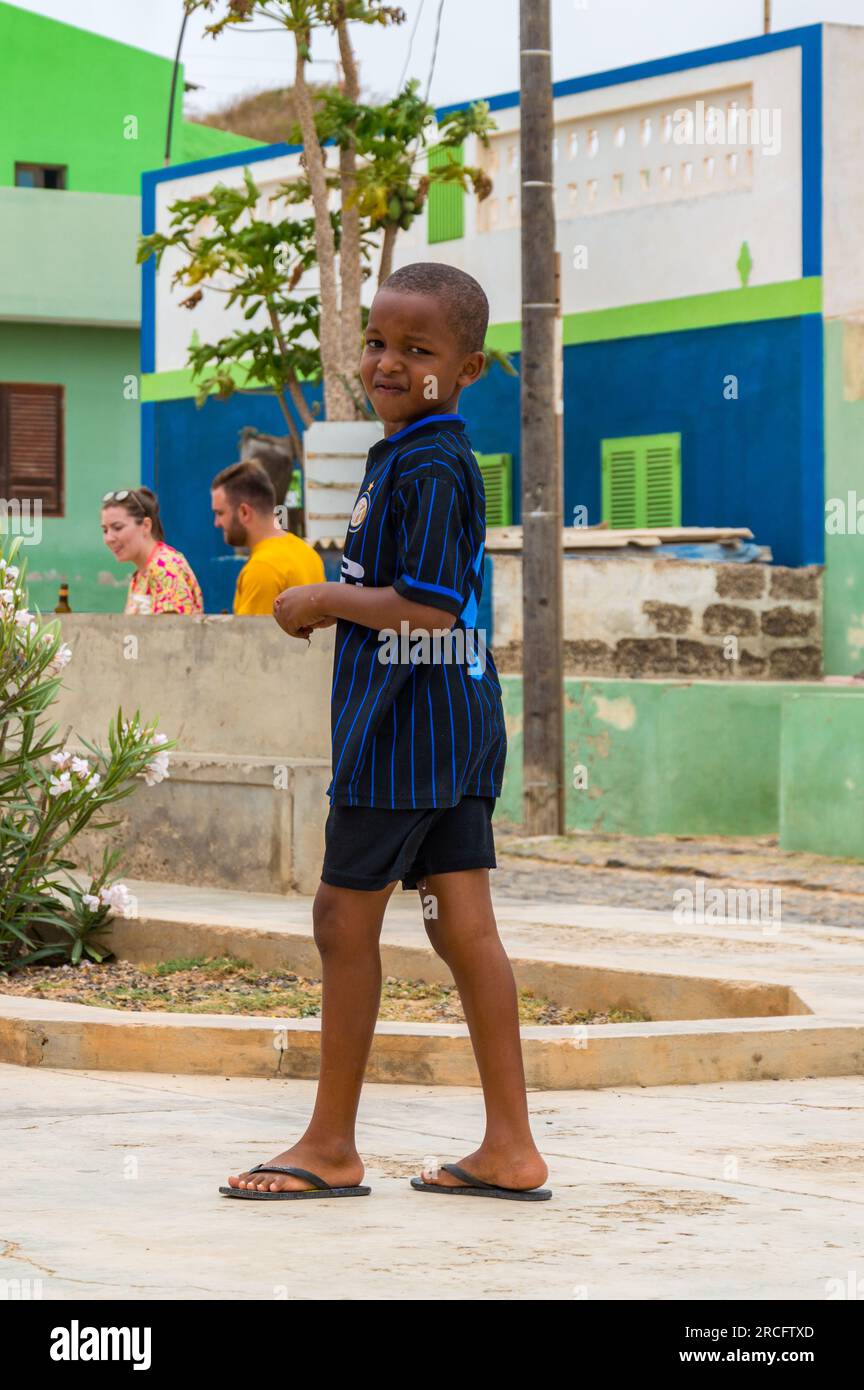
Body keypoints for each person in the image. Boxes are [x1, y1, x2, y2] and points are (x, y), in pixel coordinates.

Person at [221, 262, 551, 1204]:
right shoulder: (399, 455)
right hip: (449, 723)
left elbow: (433, 609)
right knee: (462, 927)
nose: (390, 363)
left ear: (470, 367)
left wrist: (322, 598)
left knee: (341, 916)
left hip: (412, 727)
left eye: (419, 350)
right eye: (377, 342)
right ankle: (510, 1149)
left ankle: (330, 1146)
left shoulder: (436, 463)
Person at [210, 460, 324, 614]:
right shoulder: (307, 553)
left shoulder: (262, 568)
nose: (216, 523)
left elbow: (251, 637)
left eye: (220, 513)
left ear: (244, 512)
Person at [100, 487, 203, 616]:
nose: (109, 538)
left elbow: (172, 632)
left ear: (146, 526)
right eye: (105, 530)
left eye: (117, 527)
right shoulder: (140, 574)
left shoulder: (166, 568)